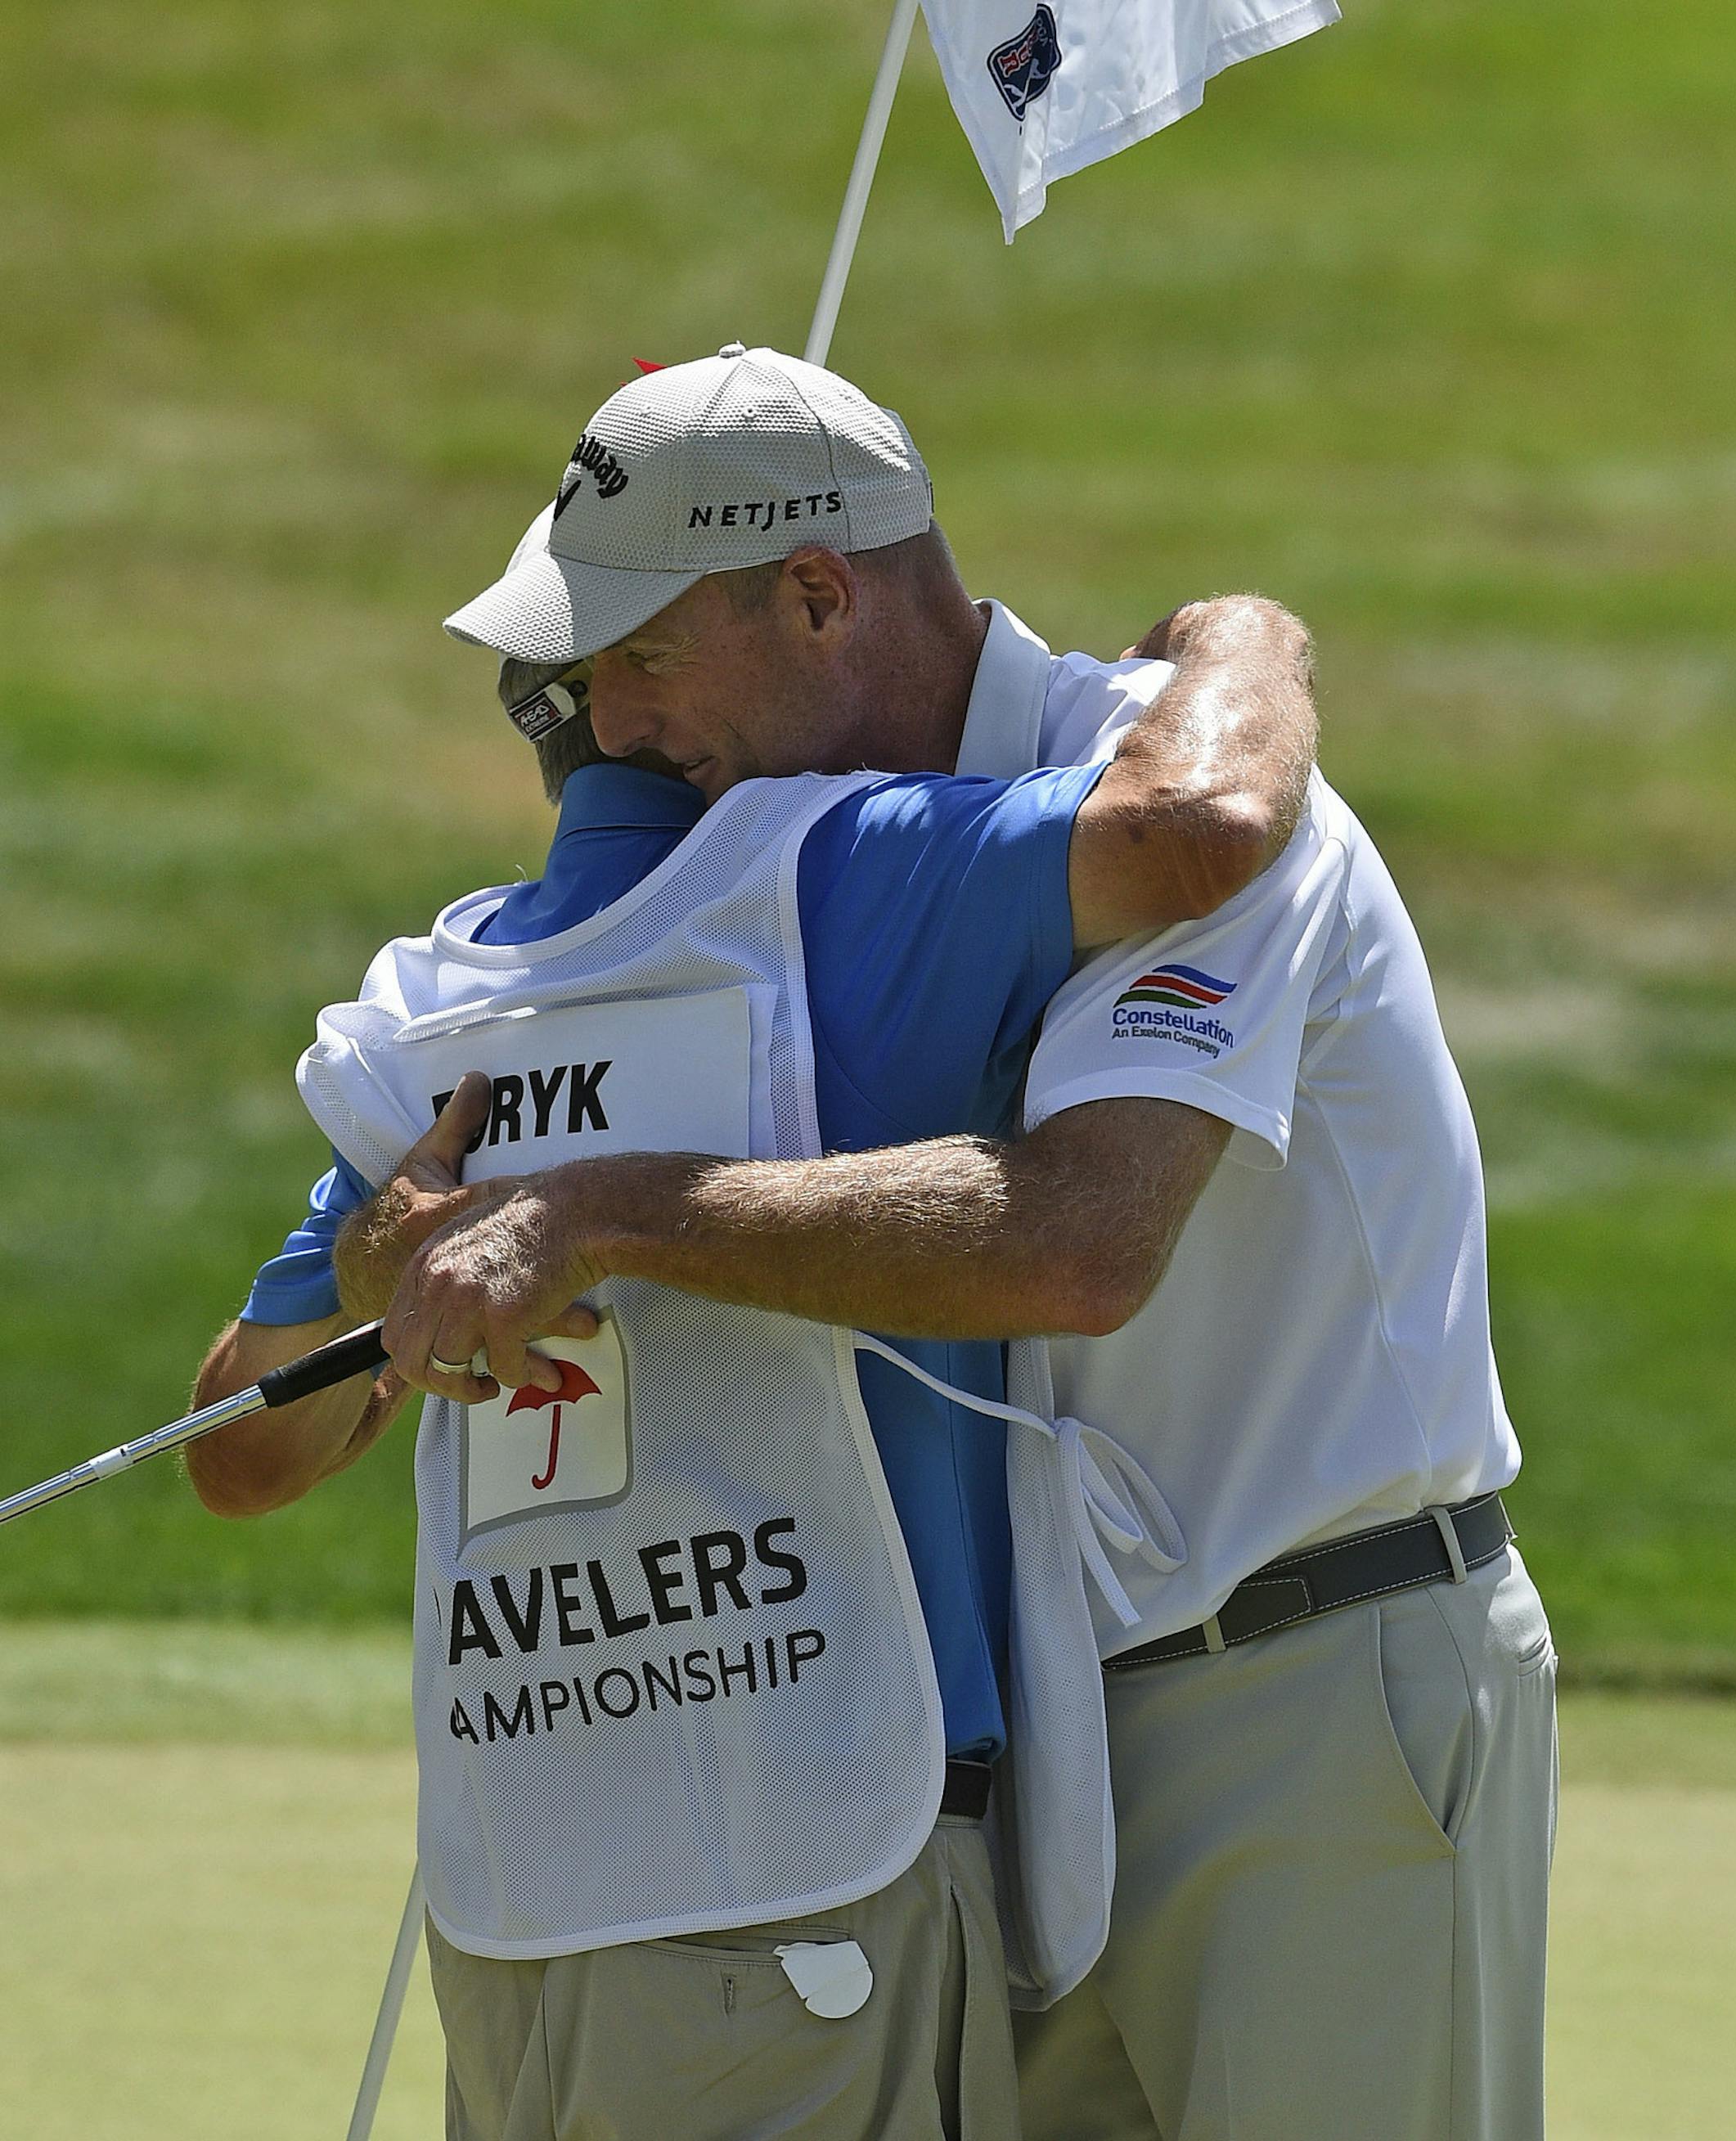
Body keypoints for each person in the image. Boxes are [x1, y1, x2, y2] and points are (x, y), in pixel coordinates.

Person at [366, 348, 1557, 2140]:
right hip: (1011, 1735)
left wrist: (602, 1217)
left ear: (821, 592)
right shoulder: (796, 873)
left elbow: (1078, 1246)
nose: (607, 727)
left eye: (643, 655)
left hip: (1316, 1684)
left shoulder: (1210, 802)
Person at [189, 345, 1319, 2141]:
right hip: (811, 1868)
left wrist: (367, 1280)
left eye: (641, 653)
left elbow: (245, 1449)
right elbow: (1202, 830)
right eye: (616, 665)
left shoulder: (456, 1005)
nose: (636, 713)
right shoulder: (847, 863)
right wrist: (1249, 637)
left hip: (529, 1901)